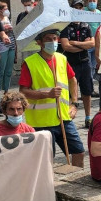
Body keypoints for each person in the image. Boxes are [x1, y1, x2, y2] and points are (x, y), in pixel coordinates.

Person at [18, 29, 85, 166]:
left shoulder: (61, 58)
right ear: (39, 42)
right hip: (41, 121)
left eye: (55, 38)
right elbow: (23, 92)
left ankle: (77, 177)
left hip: (63, 117)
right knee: (47, 159)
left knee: (79, 151)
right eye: (48, 39)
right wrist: (46, 95)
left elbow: (73, 79)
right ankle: (48, 186)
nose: (53, 42)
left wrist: (74, 103)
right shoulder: (30, 62)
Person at [60, 15, 95, 128]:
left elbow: (92, 44)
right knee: (70, 92)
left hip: (85, 62)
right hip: (71, 62)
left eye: (80, 8)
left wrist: (74, 43)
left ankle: (88, 117)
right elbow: (66, 46)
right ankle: (69, 117)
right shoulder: (65, 27)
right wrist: (83, 46)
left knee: (87, 91)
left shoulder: (86, 26)